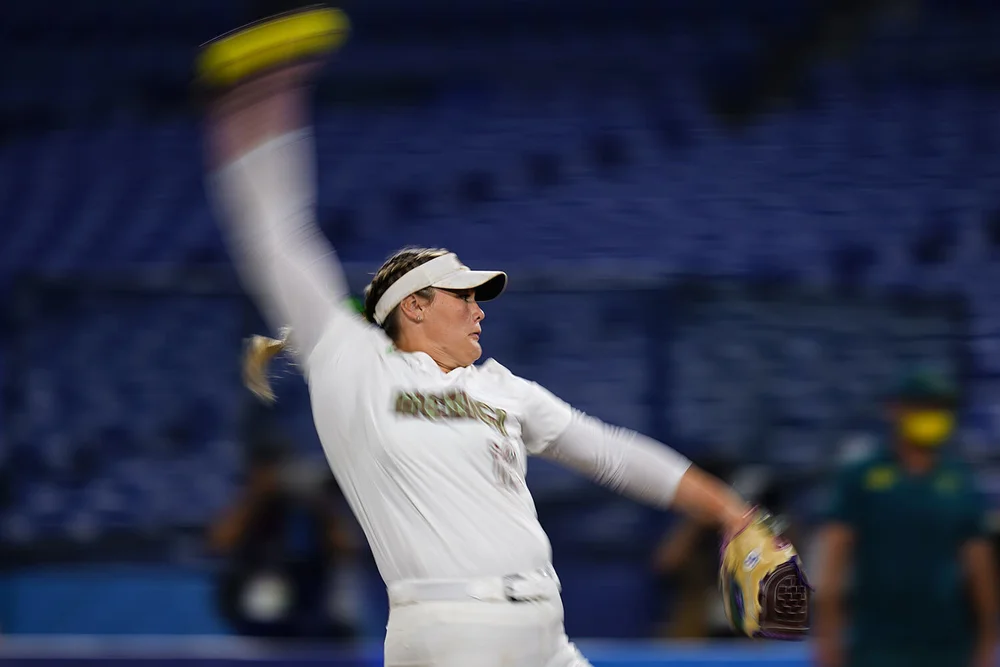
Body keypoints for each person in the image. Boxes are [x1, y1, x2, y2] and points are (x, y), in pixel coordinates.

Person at [198, 7, 764, 664]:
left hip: (543, 629)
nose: (479, 309)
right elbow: (277, 238)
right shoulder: (354, 361)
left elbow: (612, 453)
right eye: (463, 295)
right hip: (451, 625)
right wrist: (266, 102)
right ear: (412, 308)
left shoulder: (501, 388)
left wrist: (729, 509)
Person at [814, 369, 999, 667]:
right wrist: (827, 636)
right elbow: (834, 558)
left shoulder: (959, 481)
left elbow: (979, 564)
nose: (932, 417)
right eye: (923, 407)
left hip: (948, 644)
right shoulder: (861, 477)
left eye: (940, 409)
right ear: (895, 410)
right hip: (876, 644)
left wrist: (988, 639)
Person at [209, 435, 358, 641]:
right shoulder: (248, 502)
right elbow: (220, 543)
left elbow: (346, 549)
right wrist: (258, 495)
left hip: (309, 596)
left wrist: (322, 504)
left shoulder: (307, 504)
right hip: (251, 592)